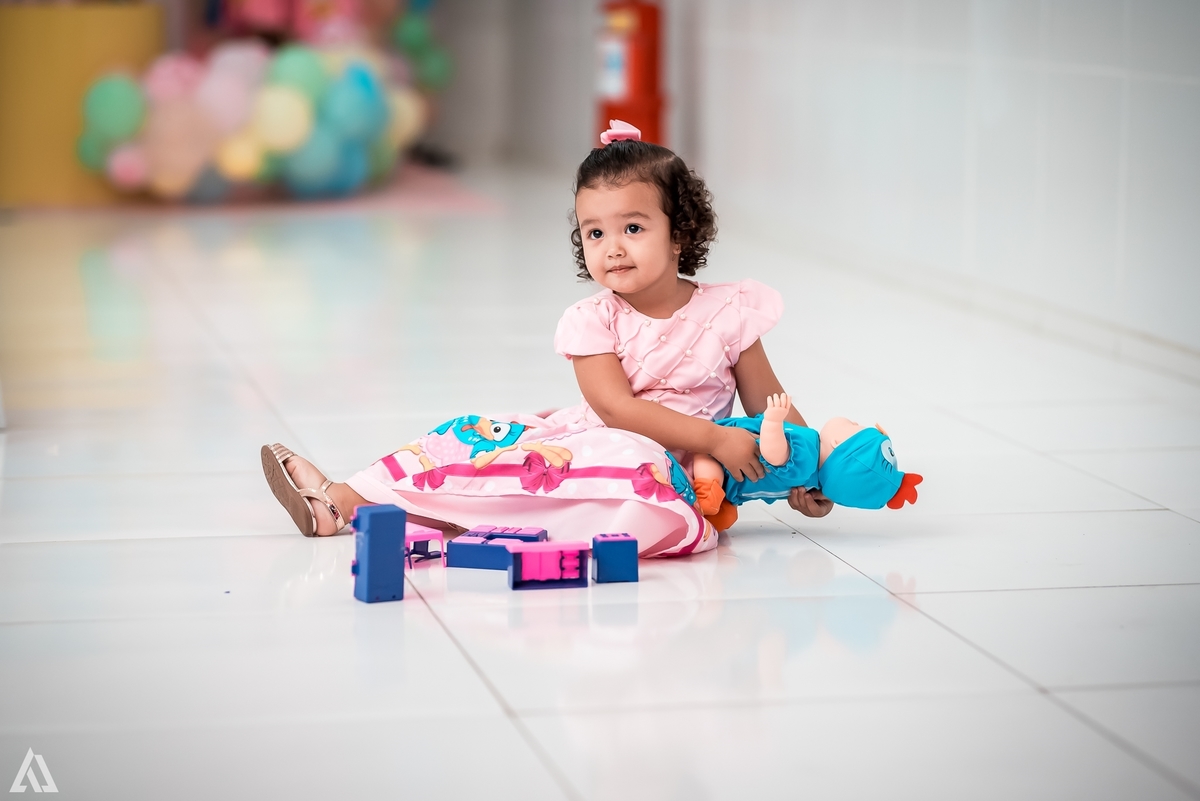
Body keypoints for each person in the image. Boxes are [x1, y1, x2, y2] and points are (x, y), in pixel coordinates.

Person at [261, 120, 832, 558]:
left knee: (628, 473)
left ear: (680, 232)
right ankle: (349, 498)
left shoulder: (729, 311)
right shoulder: (594, 320)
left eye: (633, 228)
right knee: (478, 440)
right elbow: (615, 409)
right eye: (595, 231)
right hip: (612, 441)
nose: (612, 246)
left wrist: (810, 471)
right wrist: (714, 436)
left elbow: (770, 405)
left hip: (687, 478)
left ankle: (368, 508)